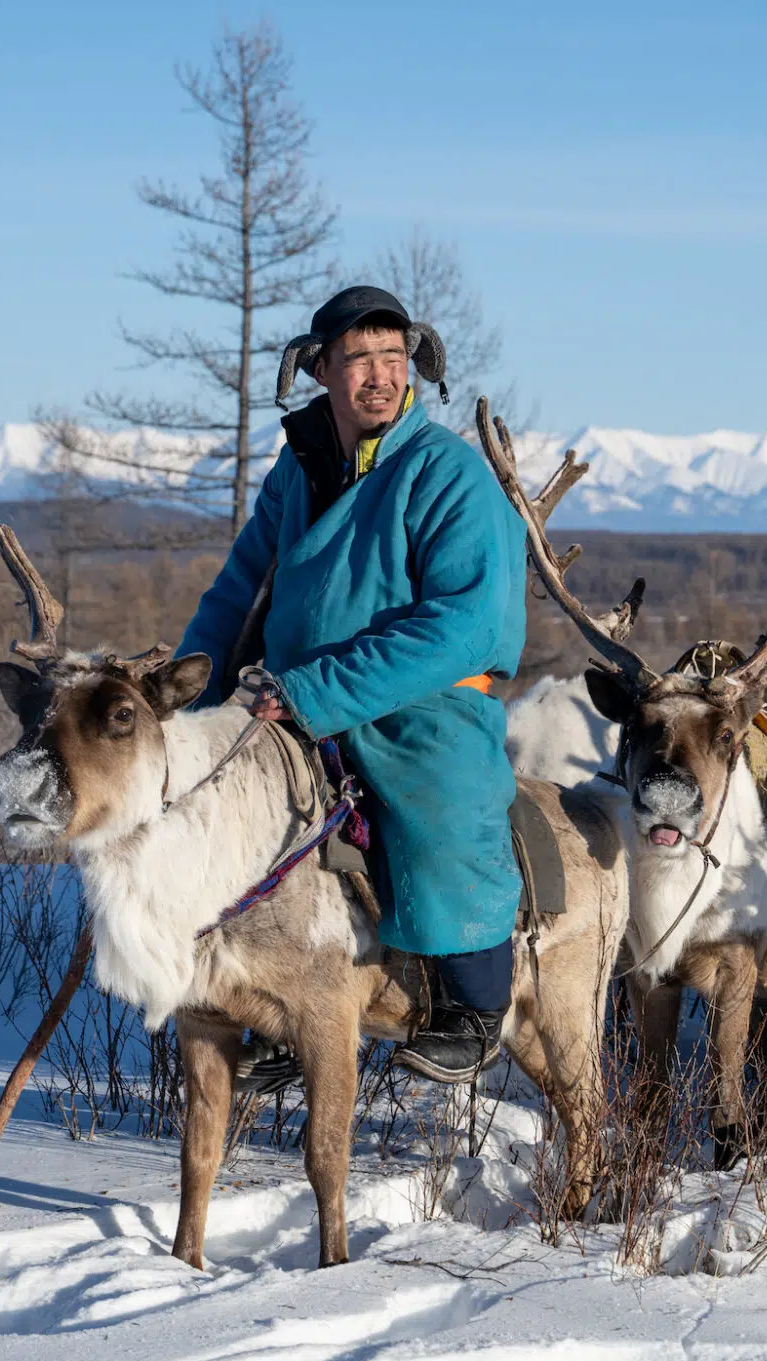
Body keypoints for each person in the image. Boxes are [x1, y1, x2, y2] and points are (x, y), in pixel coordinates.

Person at [176, 285, 525, 1085]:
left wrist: (319, 692)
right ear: (320, 368)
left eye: (394, 359)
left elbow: (465, 625)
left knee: (443, 801)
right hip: (290, 696)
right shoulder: (298, 472)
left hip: (423, 695)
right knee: (235, 817)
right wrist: (186, 709)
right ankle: (273, 999)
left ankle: (473, 1002)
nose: (379, 376)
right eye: (360, 358)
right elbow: (236, 592)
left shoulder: (446, 474)